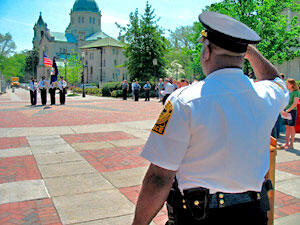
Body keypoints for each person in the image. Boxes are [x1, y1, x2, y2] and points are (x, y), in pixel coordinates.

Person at [131, 11, 289, 225]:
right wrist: (247, 49)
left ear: (206, 52)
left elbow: (159, 177)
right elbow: (274, 78)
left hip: (200, 216)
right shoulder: (266, 95)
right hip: (252, 213)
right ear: (242, 55)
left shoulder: (183, 100)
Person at [280, 78, 300, 150]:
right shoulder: (287, 92)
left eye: (287, 84)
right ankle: (286, 143)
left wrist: (287, 110)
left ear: (292, 84)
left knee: (291, 127)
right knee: (287, 127)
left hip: (292, 111)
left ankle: (291, 144)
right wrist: (282, 110)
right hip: (286, 111)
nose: (286, 85)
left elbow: (295, 103)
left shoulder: (296, 92)